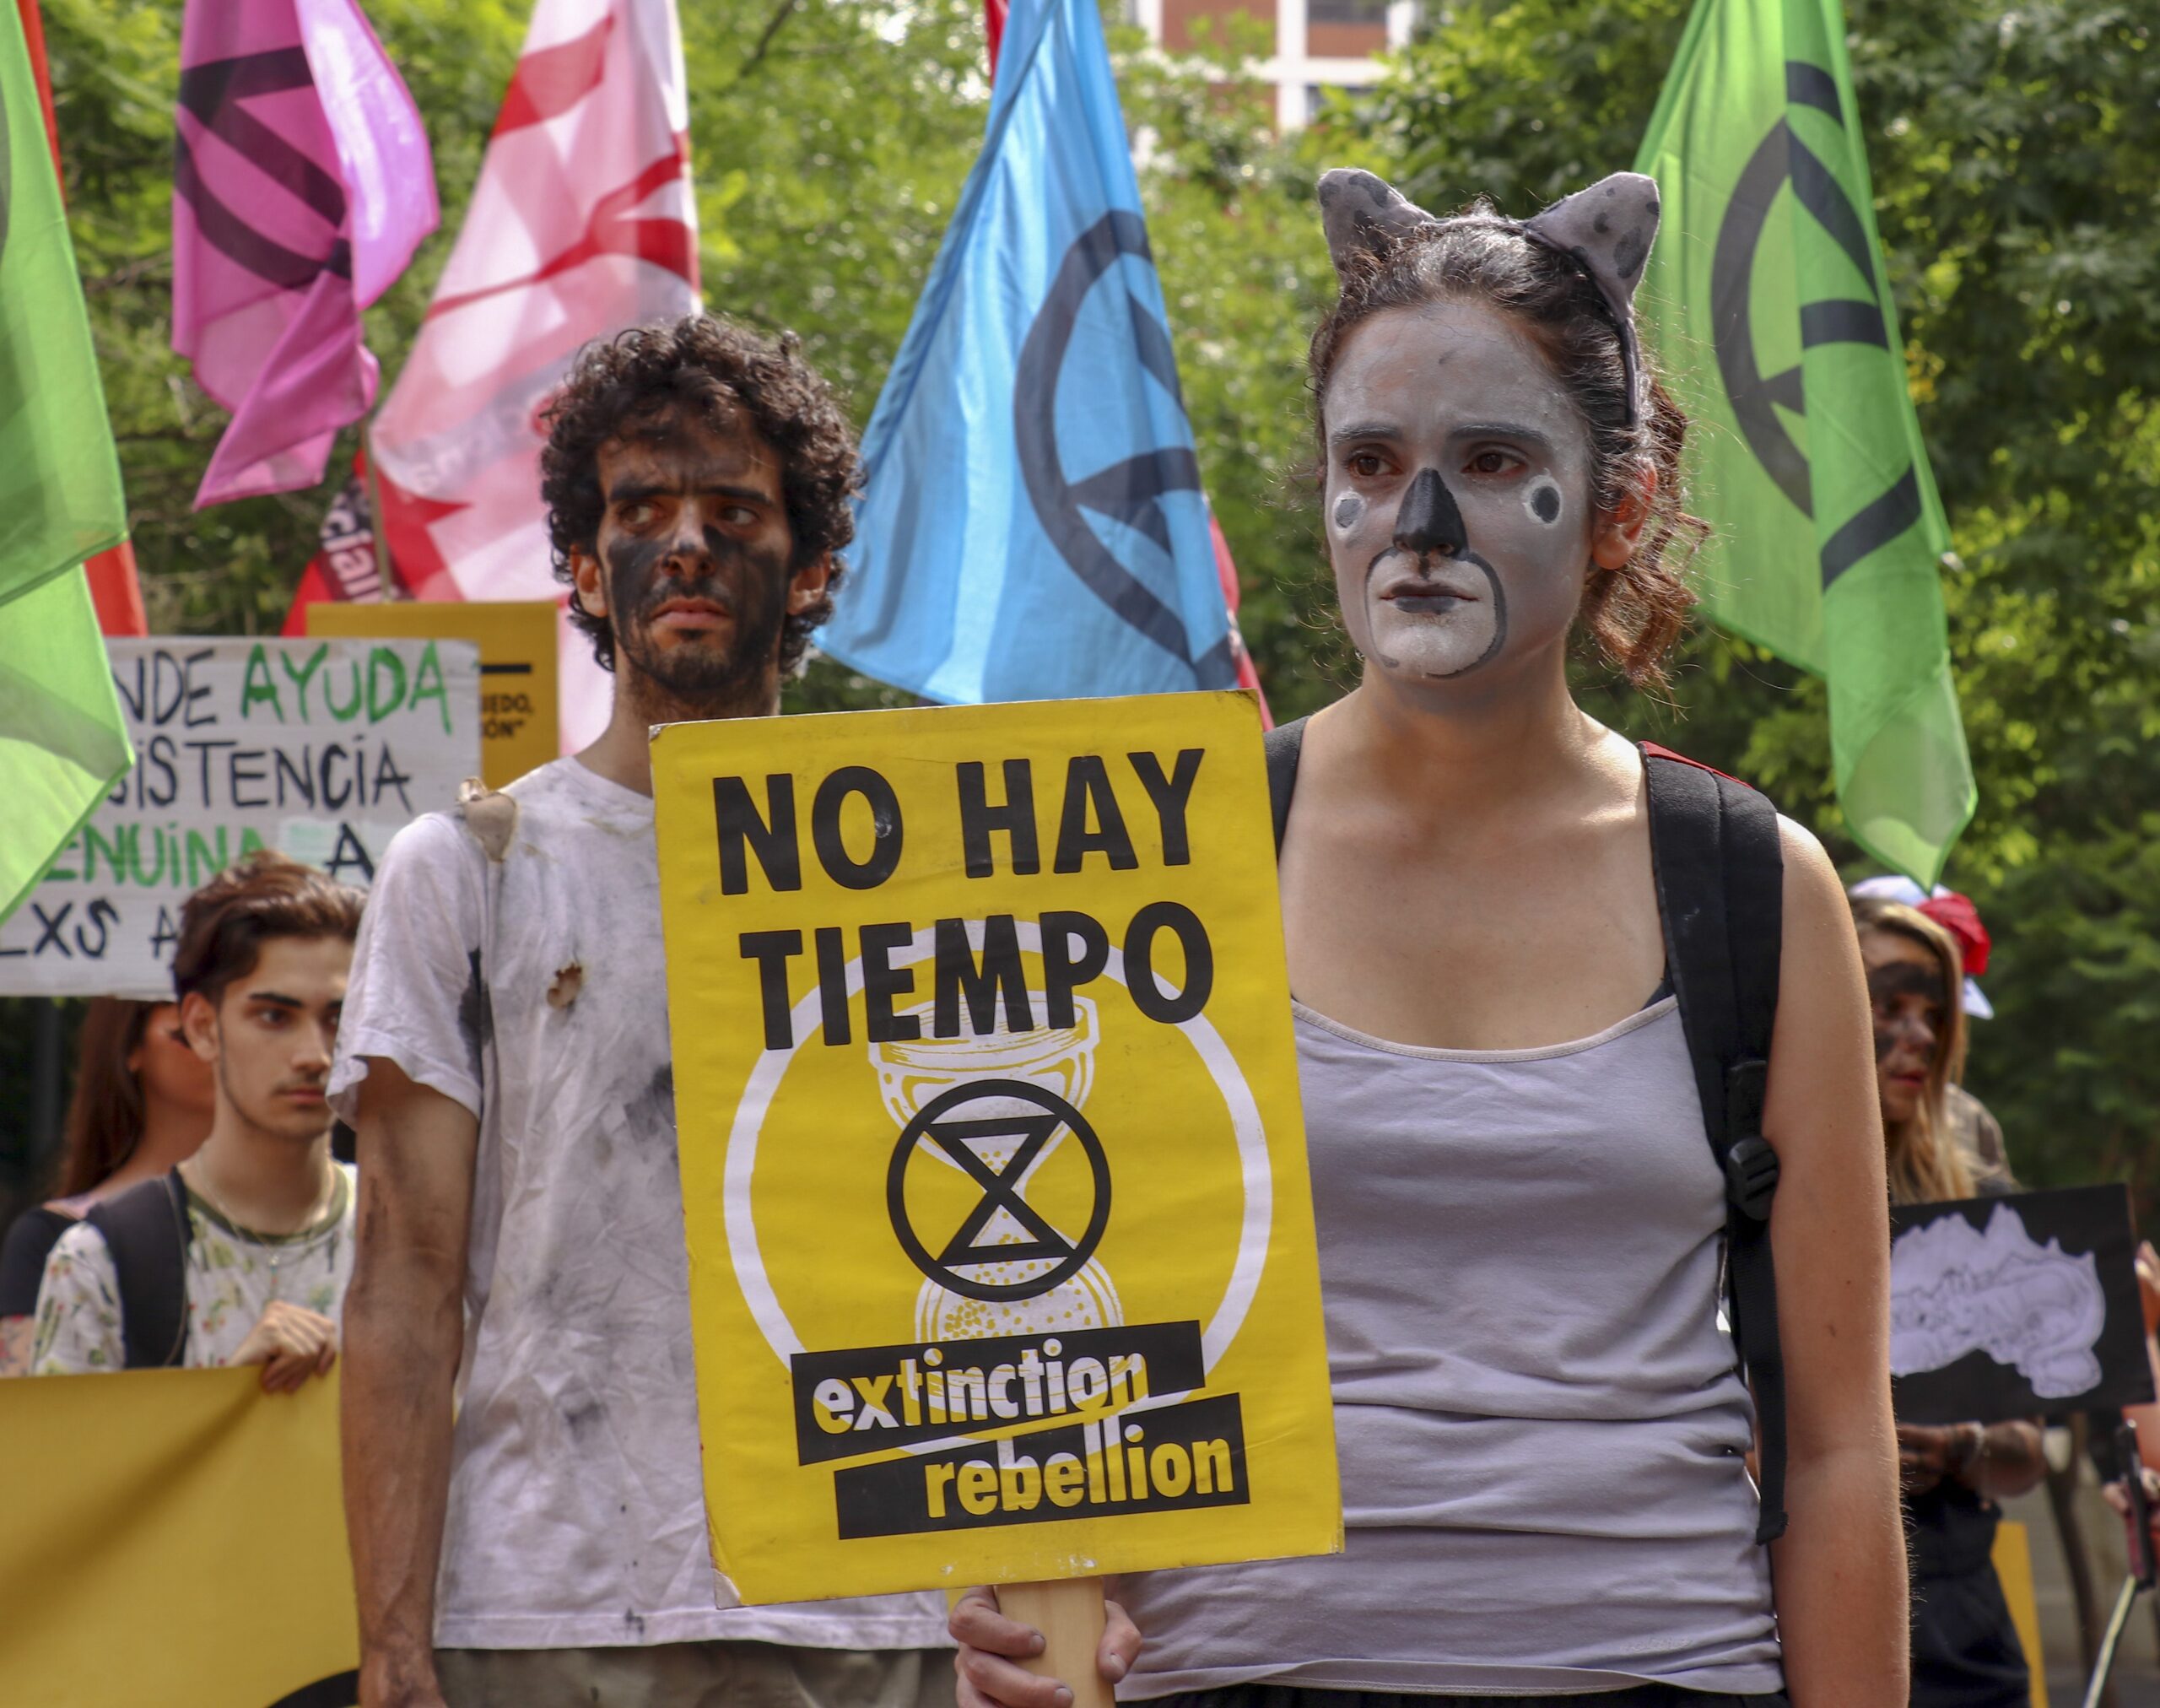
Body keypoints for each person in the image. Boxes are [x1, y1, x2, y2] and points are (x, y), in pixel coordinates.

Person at [956, 169, 1904, 1706]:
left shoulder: (1755, 885)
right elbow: (1064, 1339)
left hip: (1662, 1673)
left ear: (1623, 505)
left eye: (1491, 456)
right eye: (1373, 458)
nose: (1420, 518)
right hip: (1241, 1675)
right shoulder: (1155, 854)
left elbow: (1841, 1436)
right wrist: (1032, 1619)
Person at [333, 315, 951, 1708]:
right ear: (581, 568)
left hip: (882, 1598)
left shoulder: (941, 861)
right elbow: (402, 1276)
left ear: (814, 571)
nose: (685, 542)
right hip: (552, 1605)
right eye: (639, 510)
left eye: (735, 509)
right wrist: (389, 1645)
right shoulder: (466, 868)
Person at [30, 851, 363, 1386]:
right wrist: (222, 1399)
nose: (314, 1054)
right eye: (274, 1016)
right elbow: (66, 1471)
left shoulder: (411, 1242)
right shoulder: (101, 1261)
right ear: (203, 1027)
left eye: (337, 1018)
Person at [1851, 893, 2045, 1707]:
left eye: (1935, 1013)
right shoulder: (1740, 1182)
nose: (1921, 1037)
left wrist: (1963, 1444)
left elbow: (2027, 1453)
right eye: (1889, 1007)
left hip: (1963, 1625)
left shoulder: (1978, 1191)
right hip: (1788, 1608)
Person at [0, 997, 215, 1374]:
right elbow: (25, 1416)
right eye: (190, 1027)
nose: (218, 1043)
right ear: (130, 1046)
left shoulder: (330, 1215)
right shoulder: (56, 1238)